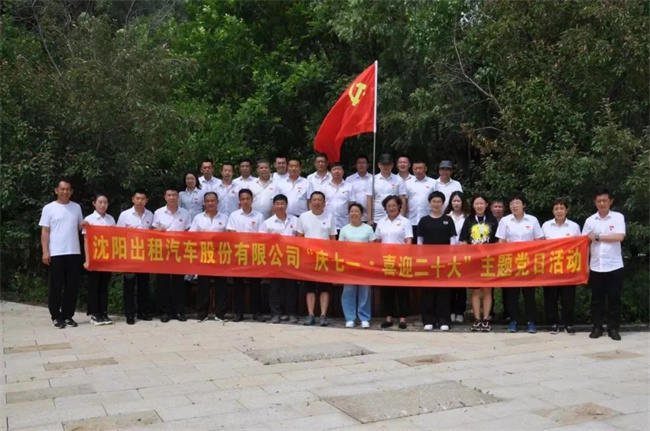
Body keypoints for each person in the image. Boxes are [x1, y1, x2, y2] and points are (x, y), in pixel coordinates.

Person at [39, 179, 84, 329]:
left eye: (68, 189)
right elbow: (45, 231)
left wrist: (87, 225)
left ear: (71, 192)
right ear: (56, 190)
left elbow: (79, 227)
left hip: (73, 251)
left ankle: (68, 315)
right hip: (56, 252)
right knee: (56, 286)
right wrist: (45, 251)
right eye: (62, 189)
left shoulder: (76, 207)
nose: (65, 192)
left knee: (72, 286)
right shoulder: (49, 208)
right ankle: (56, 316)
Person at [496, 194, 544, 333]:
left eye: (517, 203)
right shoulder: (505, 220)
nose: (514, 206)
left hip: (528, 262)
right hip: (511, 262)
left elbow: (539, 240)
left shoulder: (532, 220)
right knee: (512, 294)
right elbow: (501, 241)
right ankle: (513, 321)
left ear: (524, 205)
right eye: (512, 203)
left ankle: (531, 322)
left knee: (529, 294)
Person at [582, 189, 626, 341]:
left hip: (614, 265)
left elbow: (619, 237)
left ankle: (613, 328)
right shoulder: (590, 221)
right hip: (596, 266)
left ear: (610, 202)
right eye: (599, 201)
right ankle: (597, 327)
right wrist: (585, 265)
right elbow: (585, 244)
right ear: (595, 202)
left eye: (604, 201)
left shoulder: (618, 217)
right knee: (596, 300)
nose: (602, 203)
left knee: (614, 299)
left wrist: (598, 237)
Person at [417, 191, 457, 331]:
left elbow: (453, 239)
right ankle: (429, 319)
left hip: (444, 261)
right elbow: (420, 240)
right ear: (430, 203)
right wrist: (420, 257)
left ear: (443, 203)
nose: (436, 204)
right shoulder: (424, 221)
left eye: (439, 201)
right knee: (428, 290)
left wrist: (451, 257)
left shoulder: (448, 220)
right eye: (434, 201)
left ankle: (444, 320)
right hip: (427, 261)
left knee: (444, 291)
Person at [459, 195, 499, 332]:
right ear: (473, 205)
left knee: (487, 289)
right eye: (477, 203)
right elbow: (464, 240)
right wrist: (466, 256)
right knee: (475, 290)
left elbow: (497, 241)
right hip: (474, 260)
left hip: (489, 260)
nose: (479, 206)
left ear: (486, 205)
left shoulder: (492, 220)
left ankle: (486, 319)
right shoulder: (469, 220)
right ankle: (477, 319)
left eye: (482, 203)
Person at [541, 198, 581, 335]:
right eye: (556, 209)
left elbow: (580, 246)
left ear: (566, 210)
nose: (559, 211)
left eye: (562, 208)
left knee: (568, 298)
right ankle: (553, 323)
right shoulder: (546, 226)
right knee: (550, 298)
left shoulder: (574, 226)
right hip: (550, 268)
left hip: (568, 268)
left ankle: (568, 324)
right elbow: (540, 246)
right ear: (552, 211)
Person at [296, 191, 337, 326]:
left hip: (324, 258)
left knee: (325, 288)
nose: (317, 203)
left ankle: (323, 315)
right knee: (309, 288)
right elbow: (299, 238)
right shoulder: (303, 217)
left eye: (320, 200)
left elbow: (332, 239)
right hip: (308, 258)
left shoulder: (330, 217)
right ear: (310, 202)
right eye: (314, 200)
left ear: (324, 203)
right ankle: (311, 314)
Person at [189, 192, 229, 322]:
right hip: (203, 255)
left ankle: (220, 313)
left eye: (213, 201)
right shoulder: (198, 218)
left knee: (221, 286)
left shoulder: (225, 218)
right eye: (208, 201)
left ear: (217, 202)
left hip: (220, 256)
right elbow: (192, 236)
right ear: (204, 203)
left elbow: (230, 236)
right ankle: (202, 313)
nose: (210, 203)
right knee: (203, 285)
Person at [227, 188, 265, 322]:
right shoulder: (234, 215)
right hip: (239, 253)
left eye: (248, 199)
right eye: (243, 199)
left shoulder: (259, 216)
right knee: (238, 284)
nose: (245, 201)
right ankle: (239, 312)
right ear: (239, 201)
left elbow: (261, 235)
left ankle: (257, 312)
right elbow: (232, 234)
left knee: (255, 284)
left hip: (254, 253)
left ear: (252, 200)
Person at [153, 188, 191, 322]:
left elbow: (188, 231)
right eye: (169, 195)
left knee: (178, 282)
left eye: (174, 195)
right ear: (165, 197)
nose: (172, 197)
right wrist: (158, 230)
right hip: (163, 252)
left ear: (178, 197)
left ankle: (179, 311)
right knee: (163, 283)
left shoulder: (185, 213)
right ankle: (165, 311)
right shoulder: (158, 212)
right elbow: (152, 231)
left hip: (179, 252)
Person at [116, 189, 154, 324]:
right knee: (129, 285)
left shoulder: (150, 215)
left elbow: (153, 234)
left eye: (142, 199)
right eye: (137, 198)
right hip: (129, 255)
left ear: (146, 200)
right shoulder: (125, 215)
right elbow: (118, 235)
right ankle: (129, 313)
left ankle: (143, 311)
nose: (140, 201)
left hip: (145, 255)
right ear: (133, 199)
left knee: (144, 285)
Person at [376, 195, 413, 330]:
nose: (391, 208)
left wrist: (405, 255)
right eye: (389, 206)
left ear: (399, 207)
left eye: (394, 205)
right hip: (387, 261)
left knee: (402, 290)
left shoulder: (405, 222)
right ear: (385, 208)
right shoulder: (381, 222)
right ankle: (389, 317)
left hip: (401, 260)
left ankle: (403, 318)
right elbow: (378, 240)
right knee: (387, 290)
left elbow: (408, 240)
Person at [261, 194, 300, 324]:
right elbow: (263, 242)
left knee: (291, 287)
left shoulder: (295, 221)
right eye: (277, 204)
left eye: (282, 203)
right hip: (275, 259)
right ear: (274, 206)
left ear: (286, 205)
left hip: (291, 258)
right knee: (275, 288)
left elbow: (300, 239)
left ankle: (291, 313)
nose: (280, 206)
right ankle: (275, 313)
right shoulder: (267, 223)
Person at [339, 203, 376, 328]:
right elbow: (340, 248)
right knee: (348, 291)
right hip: (349, 265)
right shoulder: (344, 229)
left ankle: (364, 318)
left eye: (357, 211)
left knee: (365, 292)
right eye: (352, 211)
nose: (354, 213)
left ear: (361, 214)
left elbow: (373, 248)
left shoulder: (368, 229)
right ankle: (350, 318)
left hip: (364, 265)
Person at [82, 193, 116, 326]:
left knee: (104, 286)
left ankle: (103, 312)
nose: (103, 205)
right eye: (100, 202)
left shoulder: (111, 219)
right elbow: (86, 240)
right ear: (94, 204)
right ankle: (94, 313)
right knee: (94, 286)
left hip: (107, 258)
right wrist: (87, 260)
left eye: (105, 203)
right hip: (94, 258)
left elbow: (116, 239)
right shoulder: (89, 219)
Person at [445, 191, 469, 324]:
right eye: (454, 201)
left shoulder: (467, 217)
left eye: (458, 201)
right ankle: (451, 311)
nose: (456, 203)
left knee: (461, 284)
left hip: (463, 254)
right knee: (449, 284)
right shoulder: (446, 217)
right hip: (448, 255)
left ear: (462, 202)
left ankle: (460, 311)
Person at [367, 154, 406, 226]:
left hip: (395, 218)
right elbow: (369, 199)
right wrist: (369, 219)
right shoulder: (372, 180)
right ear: (379, 165)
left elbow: (402, 199)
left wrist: (402, 218)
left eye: (388, 164)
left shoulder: (398, 179)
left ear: (392, 165)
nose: (386, 167)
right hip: (377, 218)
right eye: (383, 164)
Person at [405, 159, 436, 238]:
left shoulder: (433, 183)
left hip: (428, 220)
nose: (418, 171)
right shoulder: (407, 183)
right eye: (416, 168)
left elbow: (437, 201)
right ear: (412, 169)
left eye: (420, 168)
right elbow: (405, 201)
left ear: (425, 169)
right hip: (411, 220)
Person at [323, 162, 355, 234]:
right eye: (334, 169)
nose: (337, 171)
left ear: (343, 172)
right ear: (330, 172)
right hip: (327, 223)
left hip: (344, 223)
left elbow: (352, 205)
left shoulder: (349, 186)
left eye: (339, 169)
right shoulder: (324, 186)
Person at [489, 197, 507, 321]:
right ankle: (489, 312)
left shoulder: (508, 220)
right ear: (491, 208)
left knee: (507, 287)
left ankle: (508, 313)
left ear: (504, 208)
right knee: (489, 287)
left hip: (505, 257)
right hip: (490, 258)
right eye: (495, 206)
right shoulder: (487, 221)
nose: (498, 209)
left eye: (500, 206)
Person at [346, 155, 373, 222]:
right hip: (354, 215)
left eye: (363, 163)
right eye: (359, 163)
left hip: (370, 216)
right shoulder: (349, 180)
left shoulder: (373, 179)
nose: (361, 165)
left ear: (367, 165)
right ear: (356, 165)